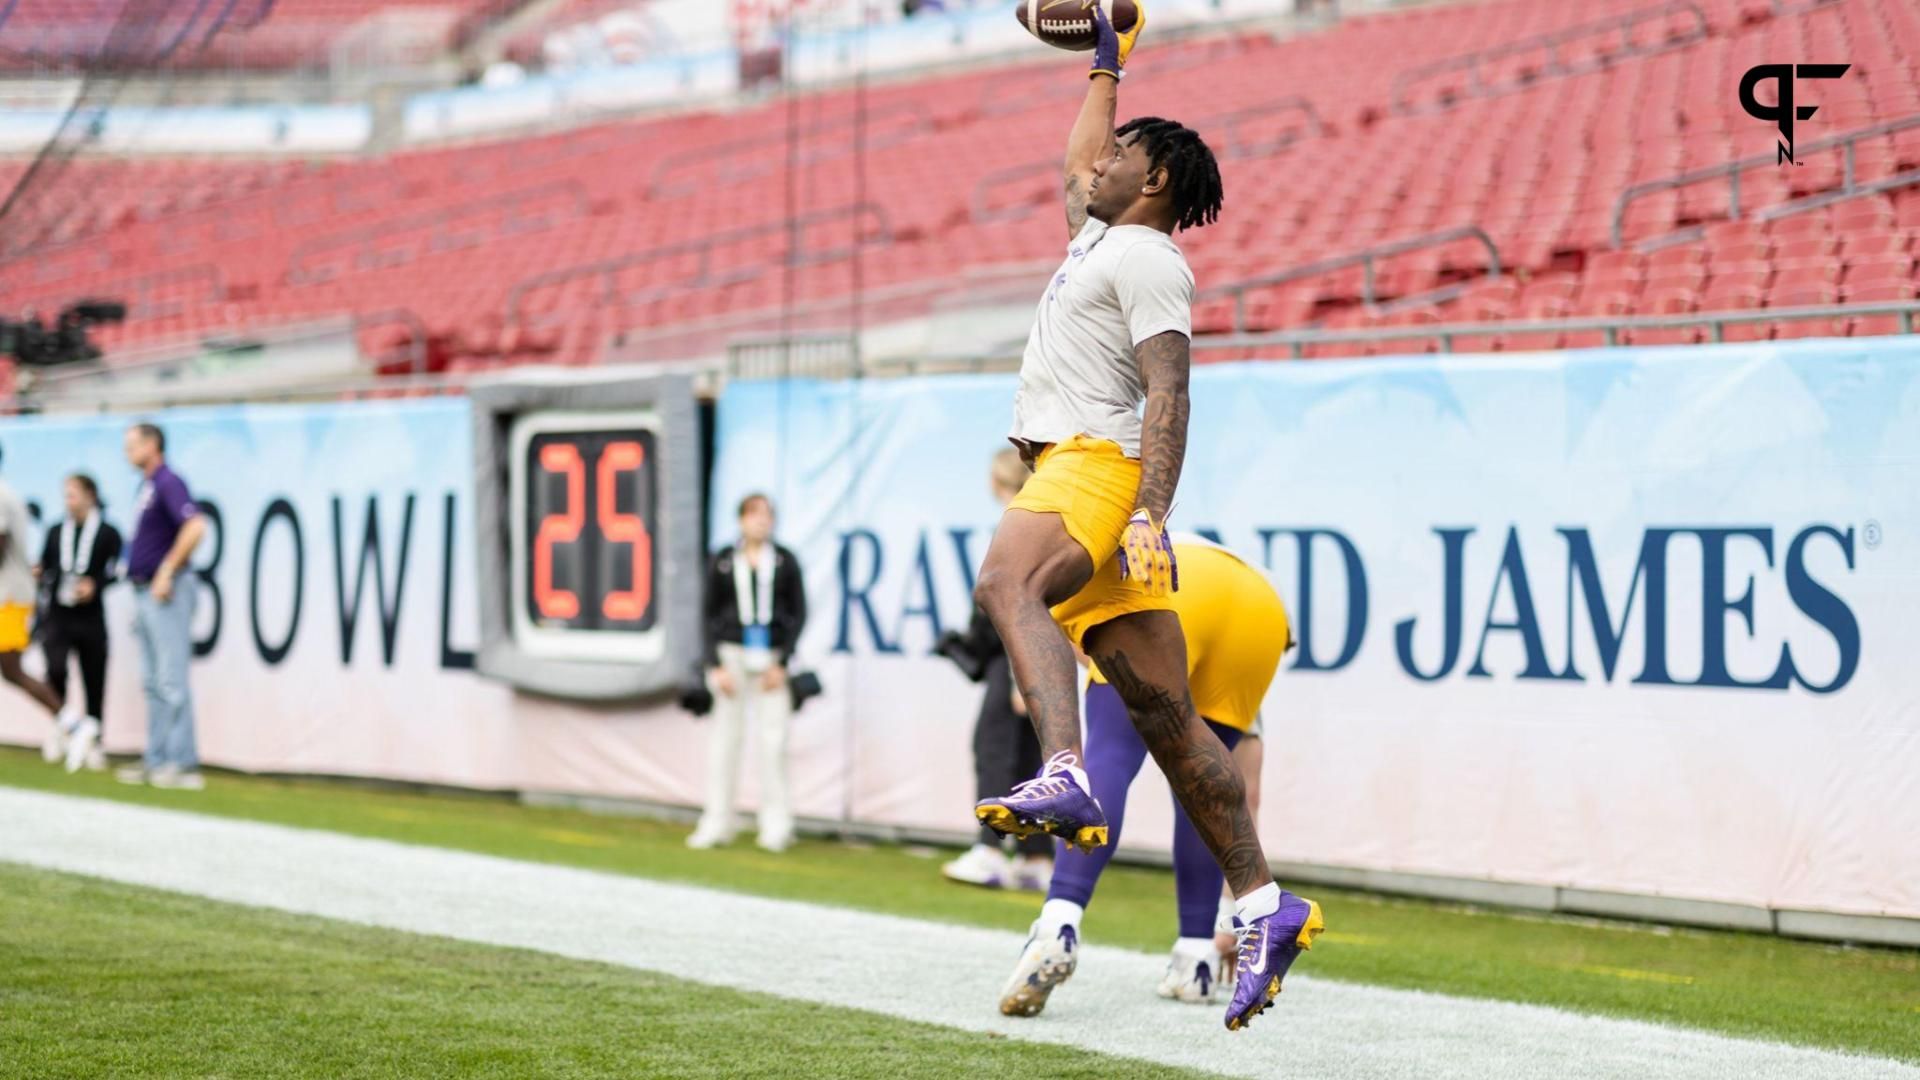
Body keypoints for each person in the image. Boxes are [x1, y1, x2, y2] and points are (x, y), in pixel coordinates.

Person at [966, 5, 1322, 1030]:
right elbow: (1078, 162)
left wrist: (1151, 510)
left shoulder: (1148, 259)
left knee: (1004, 583)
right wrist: (1107, 64)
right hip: (1095, 472)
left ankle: (1067, 771)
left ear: (1155, 180)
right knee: (1175, 728)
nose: (1097, 166)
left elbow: (1171, 390)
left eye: (1122, 156)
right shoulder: (1101, 239)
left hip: (1093, 466)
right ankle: (1264, 902)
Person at [999, 535, 1291, 1016]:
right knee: (1199, 787)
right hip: (1263, 606)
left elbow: (1066, 664)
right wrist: (1234, 911)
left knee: (1109, 754)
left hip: (1169, 588)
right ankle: (1195, 957)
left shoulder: (1044, 567)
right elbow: (1245, 789)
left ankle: (1058, 923)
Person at [937, 450, 1052, 892]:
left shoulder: (1018, 527)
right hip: (1031, 656)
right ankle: (1034, 857)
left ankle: (990, 850)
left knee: (994, 750)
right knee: (1028, 758)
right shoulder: (1043, 527)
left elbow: (1014, 603)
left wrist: (1020, 675)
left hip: (1015, 656)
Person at [689, 493, 807, 853]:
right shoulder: (724, 560)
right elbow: (706, 613)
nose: (761, 521)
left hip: (769, 657)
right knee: (724, 741)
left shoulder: (785, 561)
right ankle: (717, 821)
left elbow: (799, 613)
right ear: (740, 519)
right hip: (731, 655)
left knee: (774, 743)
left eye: (767, 515)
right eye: (754, 514)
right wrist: (715, 663)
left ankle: (776, 824)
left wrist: (782, 661)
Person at [116, 422, 208, 791]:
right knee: (153, 682)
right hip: (145, 591)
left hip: (165, 593)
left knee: (171, 680)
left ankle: (182, 763)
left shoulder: (169, 481)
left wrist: (167, 570)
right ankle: (157, 758)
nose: (127, 453)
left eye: (132, 445)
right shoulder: (149, 485)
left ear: (152, 445)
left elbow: (196, 526)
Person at [34, 473, 122, 773]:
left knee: (93, 677)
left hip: (90, 616)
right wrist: (38, 572)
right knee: (55, 669)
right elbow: (46, 565)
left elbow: (118, 569)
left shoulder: (108, 533)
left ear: (90, 495)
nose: (68, 500)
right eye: (66, 495)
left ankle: (95, 739)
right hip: (59, 614)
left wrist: (94, 585)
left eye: (73, 494)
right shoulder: (57, 530)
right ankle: (63, 726)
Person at [0, 442, 67, 756]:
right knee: (10, 669)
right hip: (10, 592)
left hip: (9, 594)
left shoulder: (1, 495)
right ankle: (69, 722)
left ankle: (72, 724)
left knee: (11, 667)